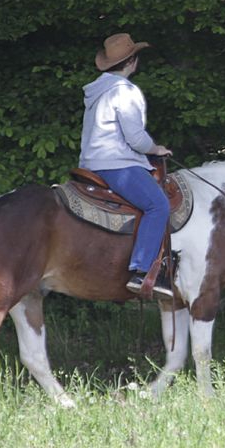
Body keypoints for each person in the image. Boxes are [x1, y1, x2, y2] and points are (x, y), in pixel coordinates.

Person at [79, 32, 174, 299]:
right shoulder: (125, 91)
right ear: (131, 61)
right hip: (117, 165)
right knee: (158, 205)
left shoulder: (97, 90)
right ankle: (142, 271)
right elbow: (135, 138)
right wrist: (156, 149)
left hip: (90, 164)